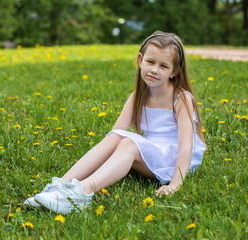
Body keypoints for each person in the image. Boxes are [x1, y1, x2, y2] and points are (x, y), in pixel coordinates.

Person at [23, 31, 207, 214]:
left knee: (128, 143)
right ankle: (61, 185)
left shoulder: (181, 98)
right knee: (117, 136)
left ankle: (82, 193)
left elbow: (185, 147)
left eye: (163, 66)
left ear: (174, 71)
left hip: (174, 160)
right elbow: (115, 136)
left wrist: (175, 184)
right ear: (140, 60)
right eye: (151, 62)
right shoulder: (137, 96)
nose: (154, 70)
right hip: (153, 152)